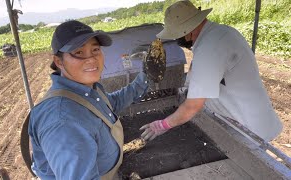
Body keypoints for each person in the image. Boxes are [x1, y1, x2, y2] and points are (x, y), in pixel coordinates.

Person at [140, 0, 282, 142]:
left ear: (187, 30)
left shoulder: (209, 48)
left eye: (177, 35)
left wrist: (162, 125)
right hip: (249, 115)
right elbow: (196, 69)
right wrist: (186, 87)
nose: (178, 40)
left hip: (249, 127)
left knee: (251, 160)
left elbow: (192, 106)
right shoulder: (218, 33)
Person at [28, 20, 150, 180]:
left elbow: (110, 104)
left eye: (95, 49)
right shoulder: (64, 122)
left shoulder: (87, 89)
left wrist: (145, 78)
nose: (91, 58)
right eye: (78, 52)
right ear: (59, 62)